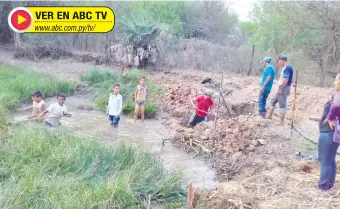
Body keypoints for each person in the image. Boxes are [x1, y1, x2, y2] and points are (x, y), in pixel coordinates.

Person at [317, 74, 340, 191]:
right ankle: (329, 184)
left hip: (328, 132)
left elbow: (336, 105)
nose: (334, 82)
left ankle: (323, 186)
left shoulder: (338, 95)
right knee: (330, 159)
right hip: (334, 133)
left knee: (325, 160)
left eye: (336, 80)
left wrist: (330, 117)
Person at [266, 55, 294, 126]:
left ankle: (281, 122)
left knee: (282, 104)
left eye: (279, 61)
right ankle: (269, 116)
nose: (278, 63)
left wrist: (280, 88)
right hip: (282, 87)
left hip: (284, 87)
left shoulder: (287, 68)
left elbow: (286, 79)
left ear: (282, 61)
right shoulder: (285, 68)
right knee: (273, 101)